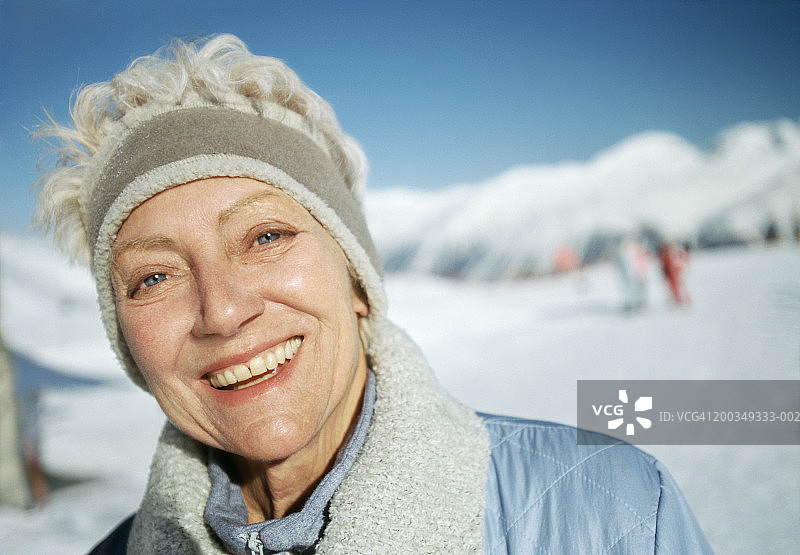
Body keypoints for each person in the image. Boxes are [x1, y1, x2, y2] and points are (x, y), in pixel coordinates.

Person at [34, 35, 711, 554]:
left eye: (265, 236)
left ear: (356, 279)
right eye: (153, 277)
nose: (223, 310)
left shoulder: (608, 513)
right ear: (125, 337)